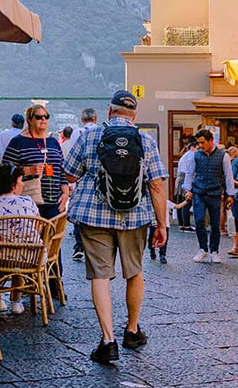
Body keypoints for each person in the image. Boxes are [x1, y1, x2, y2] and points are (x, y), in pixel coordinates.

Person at [63, 90, 168, 366]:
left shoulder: (89, 136)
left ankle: (108, 341)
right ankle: (132, 330)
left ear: (109, 112)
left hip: (94, 216)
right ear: (134, 116)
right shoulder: (145, 140)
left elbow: (70, 173)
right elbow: (157, 185)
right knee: (134, 271)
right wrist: (162, 224)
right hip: (134, 216)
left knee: (100, 275)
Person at [0, 162, 41, 314]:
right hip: (29, 256)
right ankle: (17, 301)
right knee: (18, 262)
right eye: (20, 181)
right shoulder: (28, 202)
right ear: (12, 184)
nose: (23, 185)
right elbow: (38, 225)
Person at [2, 106, 69, 220]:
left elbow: (60, 170)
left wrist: (65, 191)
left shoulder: (53, 142)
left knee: (52, 237)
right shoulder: (18, 142)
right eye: (39, 117)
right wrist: (28, 170)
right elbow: (4, 171)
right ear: (29, 120)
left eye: (46, 116)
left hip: (54, 204)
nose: (43, 119)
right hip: (28, 203)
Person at [182, 128, 235, 263]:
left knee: (215, 223)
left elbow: (228, 176)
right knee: (199, 221)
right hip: (199, 191)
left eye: (203, 142)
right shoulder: (196, 155)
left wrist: (230, 194)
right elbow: (190, 173)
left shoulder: (224, 156)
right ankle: (202, 249)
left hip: (215, 192)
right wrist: (188, 189)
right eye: (199, 143)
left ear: (211, 141)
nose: (200, 145)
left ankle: (214, 251)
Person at [70, 107, 102, 263]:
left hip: (81, 179)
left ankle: (79, 246)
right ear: (95, 118)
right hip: (101, 180)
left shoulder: (78, 132)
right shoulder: (103, 131)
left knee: (80, 213)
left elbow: (70, 157)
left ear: (82, 120)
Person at [174, 138, 197, 231]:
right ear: (192, 147)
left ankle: (181, 223)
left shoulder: (184, 155)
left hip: (180, 178)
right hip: (185, 178)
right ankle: (186, 224)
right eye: (197, 148)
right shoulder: (191, 155)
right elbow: (190, 170)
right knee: (186, 201)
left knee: (180, 201)